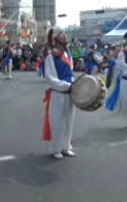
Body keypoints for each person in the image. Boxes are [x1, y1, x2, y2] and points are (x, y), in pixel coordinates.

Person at [43, 26, 76, 159]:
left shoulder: (68, 55)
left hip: (70, 92)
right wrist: (66, 85)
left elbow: (70, 74)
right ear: (55, 39)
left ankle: (66, 147)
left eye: (65, 34)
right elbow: (50, 78)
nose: (65, 36)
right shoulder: (51, 57)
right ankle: (56, 148)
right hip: (58, 93)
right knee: (58, 122)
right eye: (62, 34)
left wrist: (75, 84)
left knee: (69, 121)